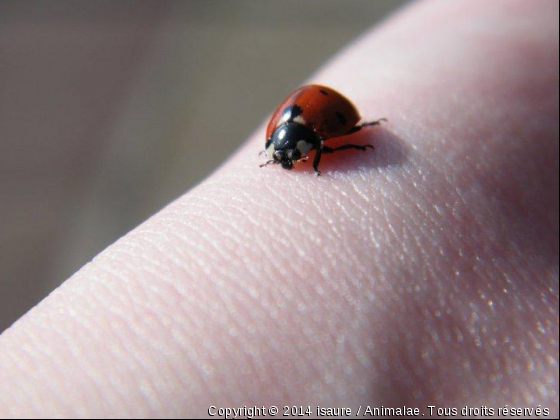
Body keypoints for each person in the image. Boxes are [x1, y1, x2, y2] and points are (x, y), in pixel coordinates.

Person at [0, 0, 557, 417]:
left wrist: (331, 149)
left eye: (297, 153)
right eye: (290, 153)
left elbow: (332, 132)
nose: (295, 158)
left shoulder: (315, 135)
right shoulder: (292, 135)